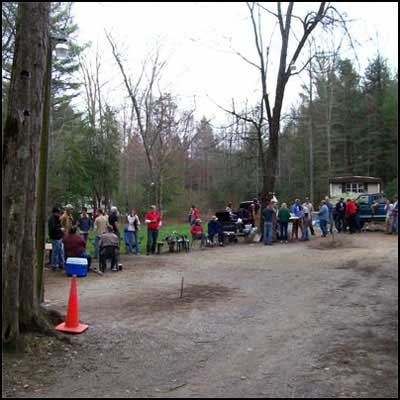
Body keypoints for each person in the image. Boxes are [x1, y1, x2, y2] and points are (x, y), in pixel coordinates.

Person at [48, 207, 65, 271]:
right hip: (55, 238)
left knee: (61, 252)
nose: (59, 214)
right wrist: (60, 229)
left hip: (59, 237)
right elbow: (52, 229)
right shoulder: (52, 219)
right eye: (58, 213)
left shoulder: (57, 219)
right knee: (55, 252)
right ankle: (54, 265)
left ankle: (61, 264)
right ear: (55, 213)